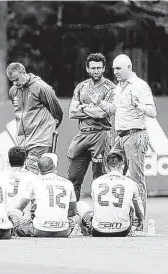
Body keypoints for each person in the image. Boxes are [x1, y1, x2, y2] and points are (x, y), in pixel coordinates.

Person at [87, 54, 156, 216]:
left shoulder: (140, 86)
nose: (115, 72)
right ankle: (114, 212)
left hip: (135, 135)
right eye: (114, 69)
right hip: (121, 136)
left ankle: (139, 221)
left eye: (118, 68)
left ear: (129, 67)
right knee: (110, 169)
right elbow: (114, 110)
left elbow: (153, 111)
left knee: (136, 179)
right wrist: (99, 102)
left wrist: (138, 105)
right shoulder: (119, 87)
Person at [67, 53, 116, 201]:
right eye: (93, 68)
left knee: (100, 178)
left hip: (101, 134)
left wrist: (83, 108)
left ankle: (100, 216)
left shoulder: (110, 88)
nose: (96, 71)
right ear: (88, 69)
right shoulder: (81, 87)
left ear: (104, 68)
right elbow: (71, 112)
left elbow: (101, 114)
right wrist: (90, 109)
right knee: (73, 176)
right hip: (83, 133)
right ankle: (72, 216)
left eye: (99, 68)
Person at [6, 62, 63, 174]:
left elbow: (57, 112)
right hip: (22, 142)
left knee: (32, 172)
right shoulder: (13, 91)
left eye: (17, 79)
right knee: (25, 175)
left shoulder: (41, 87)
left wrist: (48, 129)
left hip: (40, 140)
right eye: (12, 80)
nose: (15, 83)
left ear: (23, 72)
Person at [77, 151, 145, 237]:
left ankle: (84, 230)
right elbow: (139, 210)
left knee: (80, 204)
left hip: (98, 231)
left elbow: (96, 204)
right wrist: (140, 220)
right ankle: (133, 228)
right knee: (130, 203)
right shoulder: (131, 183)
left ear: (106, 168)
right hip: (123, 231)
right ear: (123, 166)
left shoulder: (96, 182)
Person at [15, 153, 77, 237]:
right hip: (63, 231)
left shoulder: (35, 181)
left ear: (39, 170)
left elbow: (21, 206)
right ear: (54, 167)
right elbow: (73, 211)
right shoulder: (68, 183)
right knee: (74, 219)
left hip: (39, 230)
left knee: (23, 223)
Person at [0, 146, 36, 216]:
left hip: (5, 218)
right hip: (23, 218)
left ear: (8, 161)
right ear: (25, 161)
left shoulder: (0, 176)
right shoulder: (32, 177)